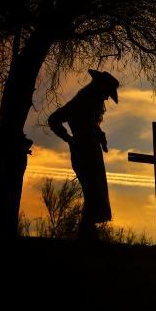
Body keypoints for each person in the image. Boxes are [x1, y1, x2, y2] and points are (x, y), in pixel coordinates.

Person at [48, 69, 119, 240]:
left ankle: (87, 232)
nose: (106, 98)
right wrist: (70, 140)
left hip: (91, 151)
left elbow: (90, 125)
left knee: (94, 191)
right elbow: (54, 119)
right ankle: (86, 233)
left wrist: (100, 136)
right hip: (84, 151)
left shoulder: (88, 105)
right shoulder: (81, 102)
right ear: (99, 88)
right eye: (106, 93)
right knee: (92, 190)